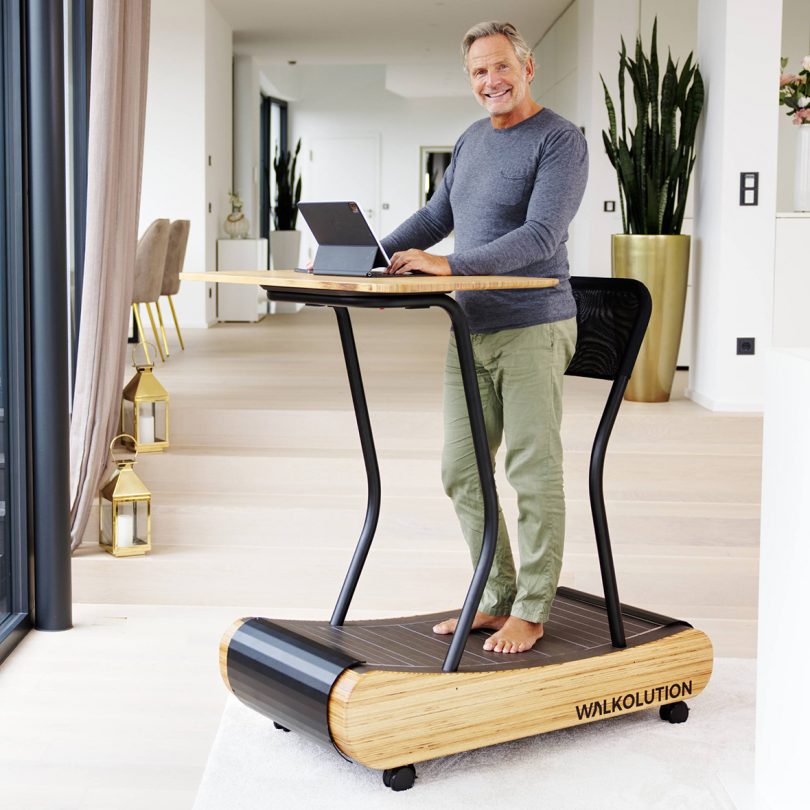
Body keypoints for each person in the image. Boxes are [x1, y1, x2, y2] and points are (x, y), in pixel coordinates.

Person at [381, 21, 588, 654]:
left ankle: (534, 605)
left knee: (531, 469)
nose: (490, 81)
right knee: (462, 471)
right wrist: (365, 254)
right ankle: (494, 595)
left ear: (528, 68)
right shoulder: (471, 140)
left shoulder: (559, 141)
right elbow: (437, 217)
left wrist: (449, 266)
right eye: (478, 72)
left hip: (533, 326)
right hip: (470, 328)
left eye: (500, 67)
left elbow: (540, 237)